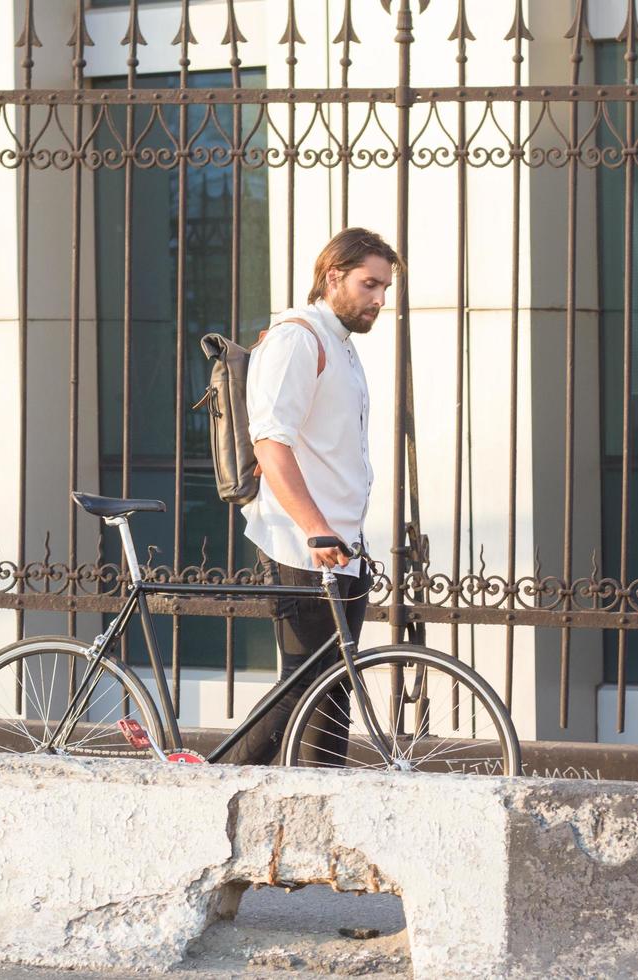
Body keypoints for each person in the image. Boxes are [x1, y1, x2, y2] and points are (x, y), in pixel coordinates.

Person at [222, 227, 402, 767]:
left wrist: (344, 535)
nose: (380, 299)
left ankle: (324, 808)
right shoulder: (297, 338)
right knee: (306, 681)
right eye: (370, 284)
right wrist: (314, 526)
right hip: (301, 542)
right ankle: (208, 787)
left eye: (386, 288)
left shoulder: (337, 344)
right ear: (332, 277)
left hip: (338, 542)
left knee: (331, 691)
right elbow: (270, 442)